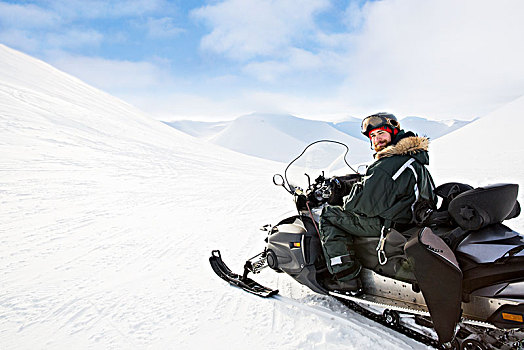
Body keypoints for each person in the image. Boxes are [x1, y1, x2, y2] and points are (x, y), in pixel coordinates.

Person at [319, 112, 437, 292]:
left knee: (329, 215)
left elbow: (358, 205)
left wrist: (340, 197)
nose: (376, 139)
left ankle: (345, 277)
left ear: (394, 132)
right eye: (372, 136)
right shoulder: (414, 159)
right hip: (409, 221)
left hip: (387, 225)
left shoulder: (390, 164)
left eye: (381, 133)